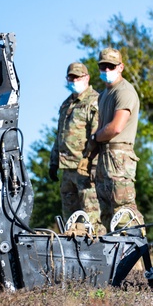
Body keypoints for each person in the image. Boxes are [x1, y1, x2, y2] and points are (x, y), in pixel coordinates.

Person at [91, 47, 142, 230]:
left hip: (119, 156)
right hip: (105, 155)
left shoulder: (124, 91)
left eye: (111, 66)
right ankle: (117, 258)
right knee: (107, 215)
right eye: (103, 66)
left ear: (120, 67)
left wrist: (95, 137)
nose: (106, 71)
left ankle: (137, 256)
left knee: (124, 212)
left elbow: (115, 127)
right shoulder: (104, 95)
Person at [48, 62, 100, 226]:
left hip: (84, 168)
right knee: (70, 220)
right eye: (71, 77)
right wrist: (53, 162)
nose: (74, 80)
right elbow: (60, 136)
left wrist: (93, 164)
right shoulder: (66, 104)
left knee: (91, 217)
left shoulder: (94, 101)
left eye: (78, 77)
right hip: (66, 169)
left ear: (87, 78)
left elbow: (97, 135)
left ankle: (97, 249)